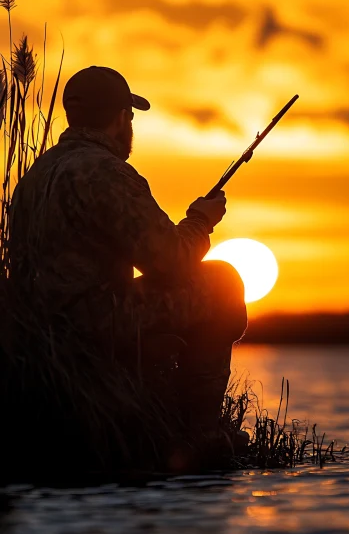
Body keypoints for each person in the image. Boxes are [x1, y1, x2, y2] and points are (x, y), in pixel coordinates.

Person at [7, 66, 247, 452]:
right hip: (92, 324)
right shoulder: (105, 171)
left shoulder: (32, 177)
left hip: (37, 334)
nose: (131, 126)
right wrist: (200, 222)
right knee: (221, 283)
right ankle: (201, 436)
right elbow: (171, 262)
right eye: (131, 117)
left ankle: (157, 400)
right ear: (121, 118)